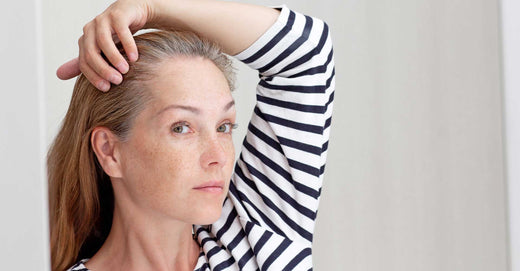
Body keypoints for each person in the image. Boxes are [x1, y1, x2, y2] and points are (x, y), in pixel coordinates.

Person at [49, 0, 335, 270]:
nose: (218, 157)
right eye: (182, 127)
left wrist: (150, 7)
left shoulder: (256, 242)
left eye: (223, 127)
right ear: (110, 151)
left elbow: (307, 55)